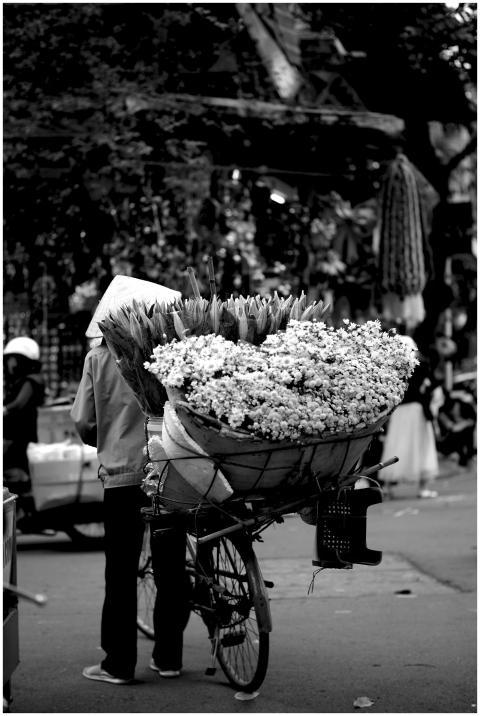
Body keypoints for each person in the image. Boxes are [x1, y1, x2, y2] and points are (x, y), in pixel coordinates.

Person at [71, 275, 189, 685]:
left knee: (120, 571)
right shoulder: (171, 353)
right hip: (171, 474)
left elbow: (84, 423)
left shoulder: (99, 359)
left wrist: (103, 436)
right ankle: (169, 657)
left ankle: (118, 663)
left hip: (122, 478)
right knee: (171, 566)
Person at [380, 335, 439, 499]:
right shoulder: (420, 366)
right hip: (416, 410)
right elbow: (431, 385)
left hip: (401, 411)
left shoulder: (393, 368)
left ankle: (387, 486)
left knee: (397, 444)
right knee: (421, 446)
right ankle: (423, 487)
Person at [3, 336, 45, 508]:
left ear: (22, 361)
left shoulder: (31, 380)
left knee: (12, 465)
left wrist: (5, 409)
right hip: (17, 431)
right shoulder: (23, 380)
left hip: (19, 433)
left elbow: (19, 403)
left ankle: (24, 505)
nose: (9, 365)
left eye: (13, 360)